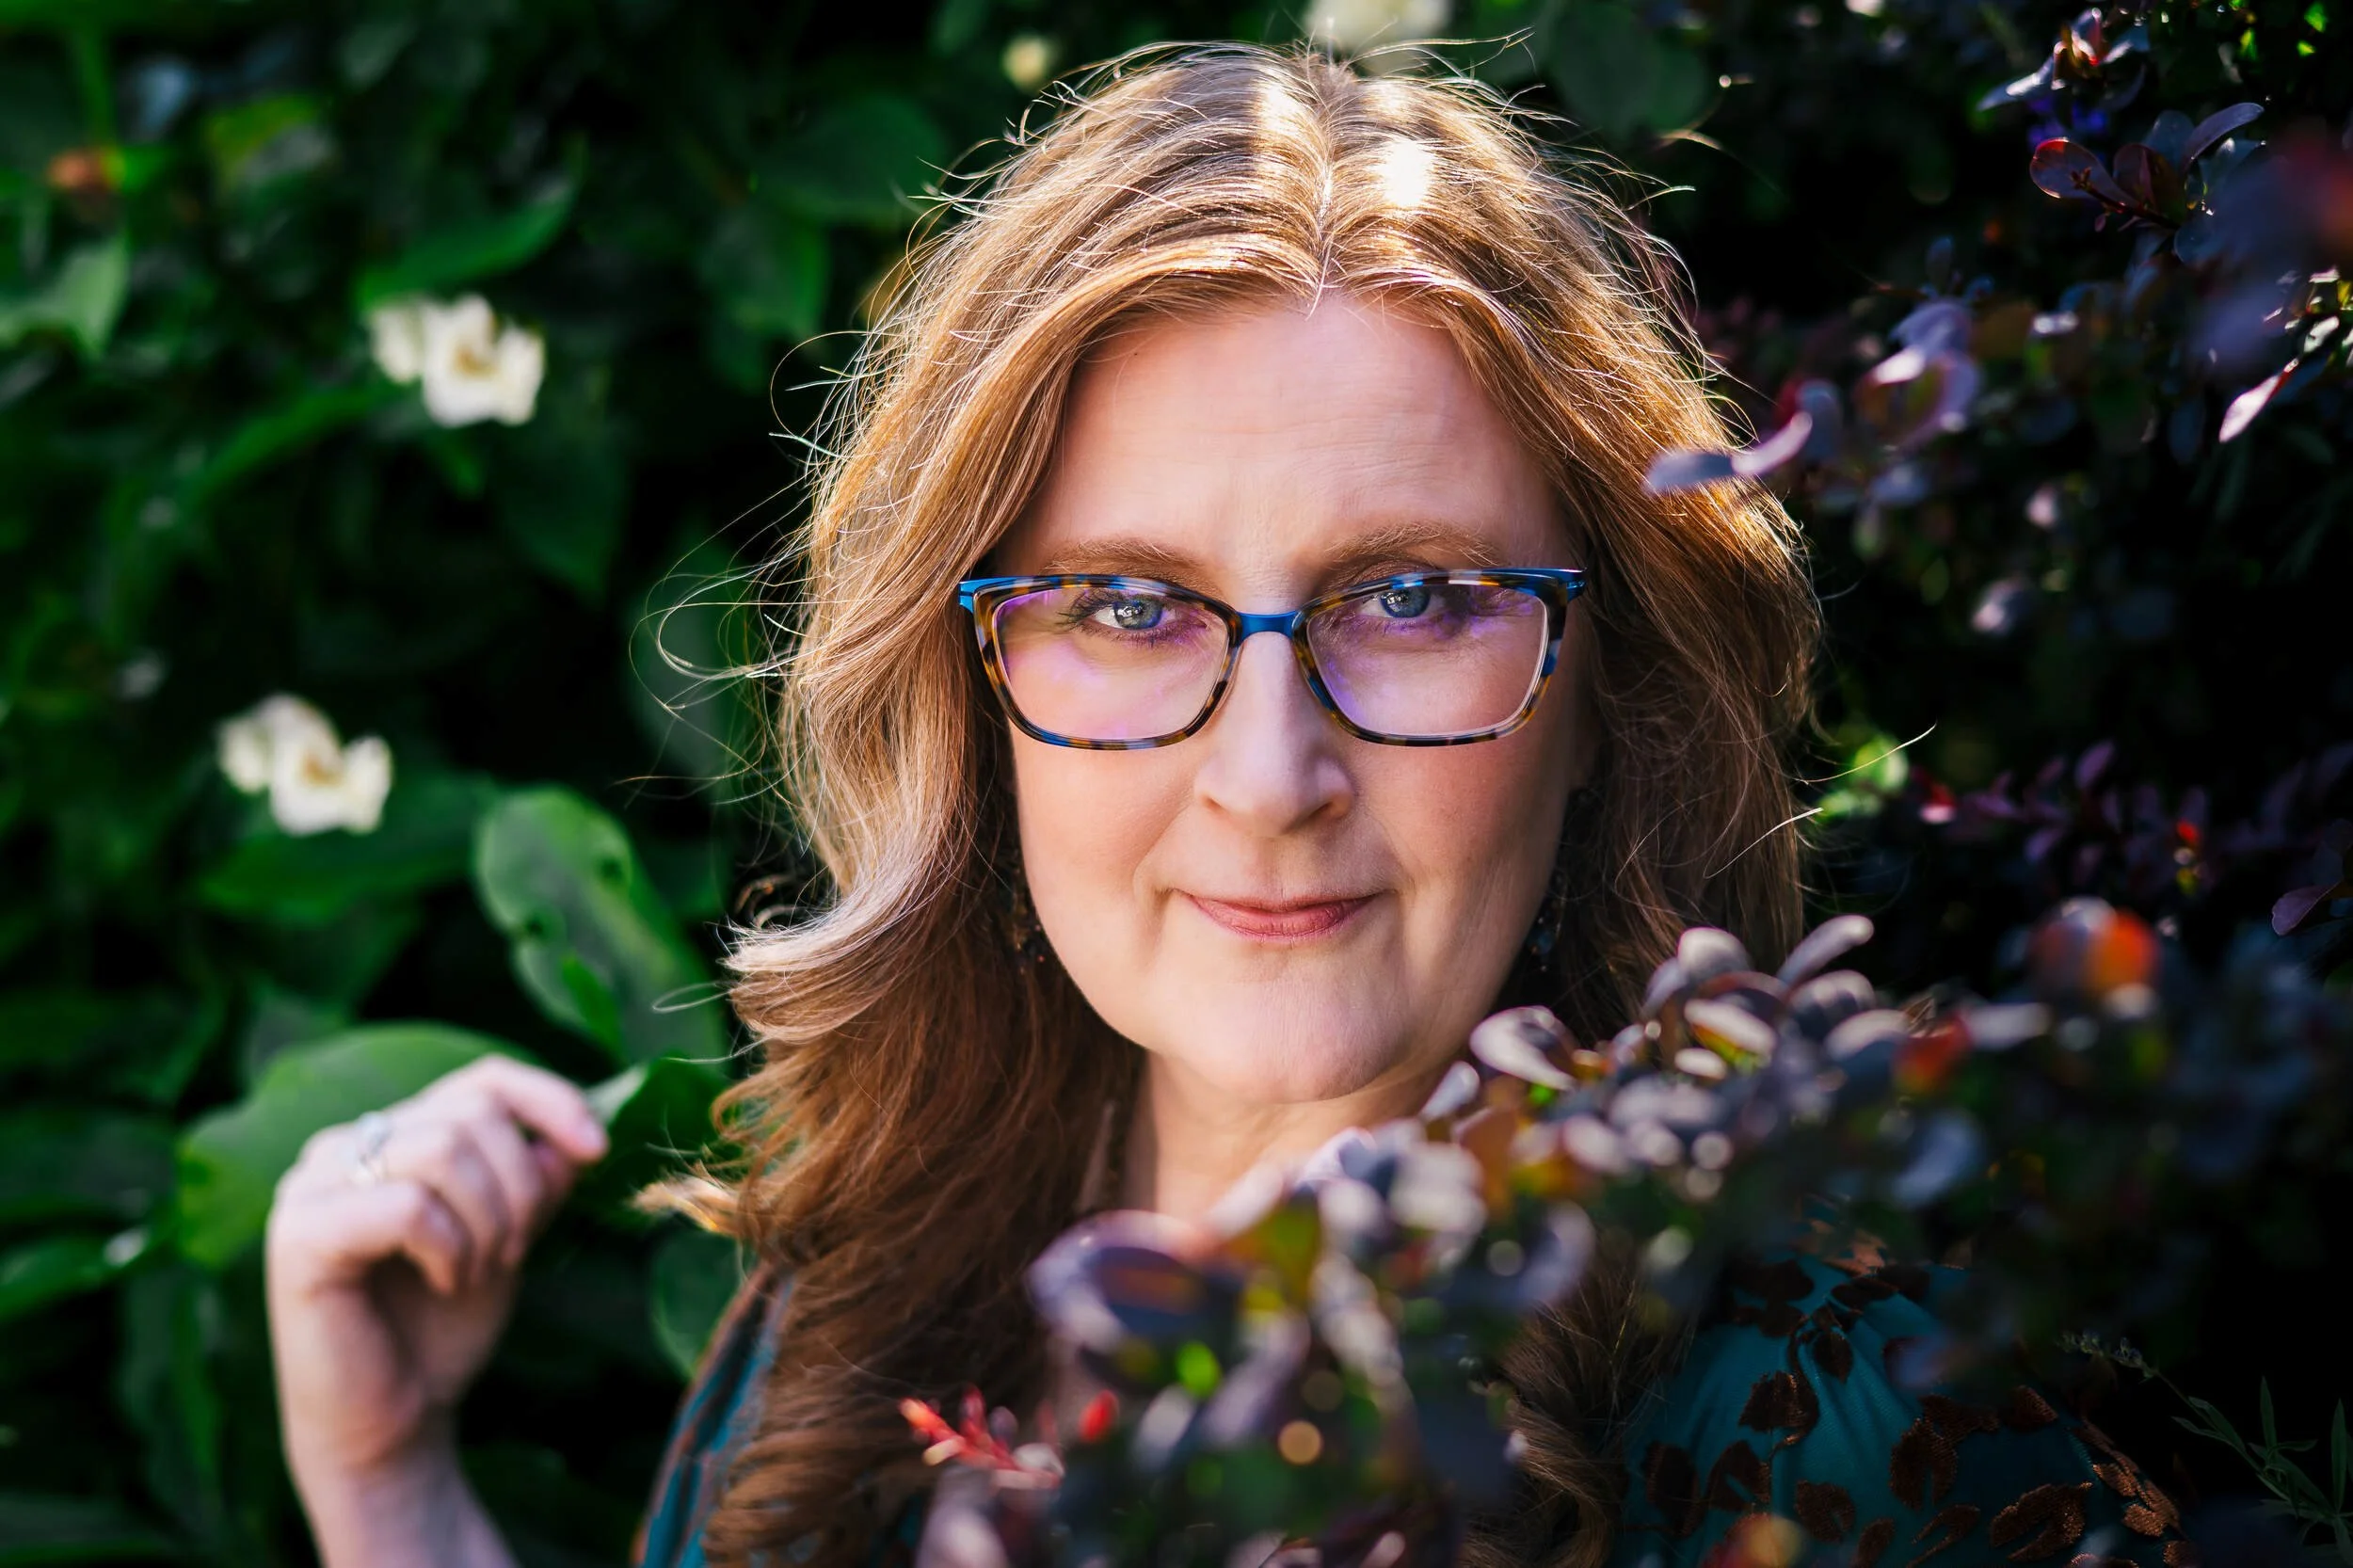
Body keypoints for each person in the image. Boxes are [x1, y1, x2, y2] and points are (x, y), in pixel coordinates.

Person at [264, 43, 2188, 1568]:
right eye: (1122, 602)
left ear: (1608, 687)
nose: (1267, 778)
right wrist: (389, 1488)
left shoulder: (1851, 1418)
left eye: (1413, 594)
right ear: (967, 685)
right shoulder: (872, 1277)